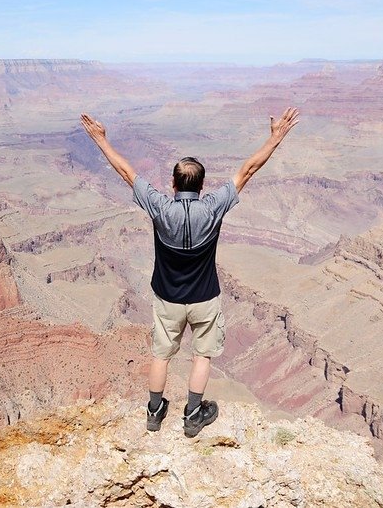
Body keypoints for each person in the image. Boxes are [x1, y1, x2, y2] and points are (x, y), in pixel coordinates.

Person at [80, 107, 299, 437]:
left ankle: (154, 412)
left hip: (168, 299)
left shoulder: (160, 207)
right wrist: (276, 137)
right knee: (202, 356)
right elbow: (249, 170)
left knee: (161, 356)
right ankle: (194, 414)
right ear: (203, 185)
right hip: (204, 299)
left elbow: (126, 173)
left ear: (172, 183)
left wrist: (101, 140)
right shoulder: (213, 207)